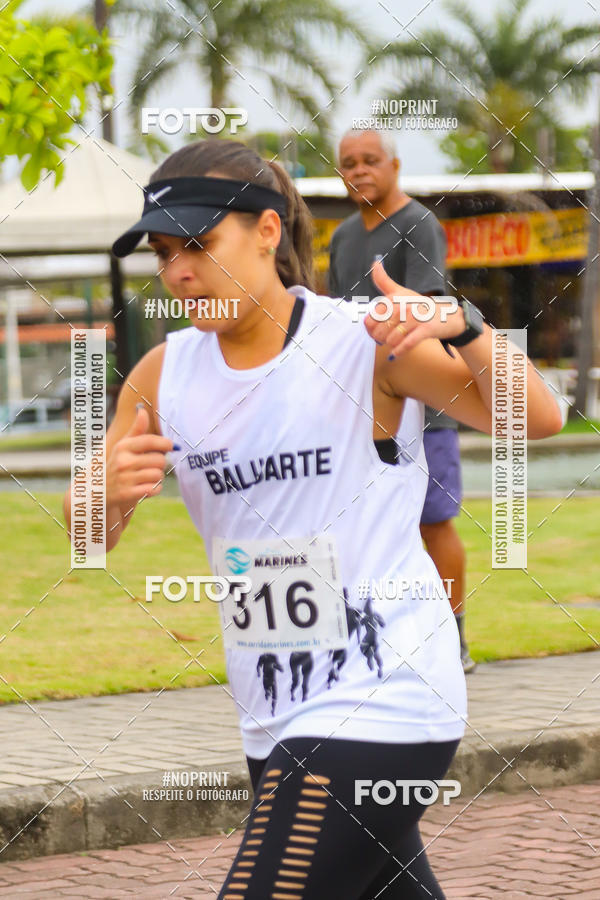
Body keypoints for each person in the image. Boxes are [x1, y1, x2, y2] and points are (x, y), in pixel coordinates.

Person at [63, 138, 561, 899]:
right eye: (163, 253)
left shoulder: (362, 345)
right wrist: (98, 496)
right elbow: (87, 530)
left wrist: (460, 323)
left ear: (267, 231)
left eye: (198, 244)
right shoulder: (164, 373)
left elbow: (539, 419)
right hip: (274, 716)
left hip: (386, 697)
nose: (178, 272)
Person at [330, 128, 476, 673]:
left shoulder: (419, 224)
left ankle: (454, 640)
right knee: (373, 526)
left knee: (433, 522)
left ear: (394, 166)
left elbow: (428, 306)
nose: (359, 170)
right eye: (349, 163)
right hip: (365, 409)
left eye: (370, 160)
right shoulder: (343, 236)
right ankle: (384, 640)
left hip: (425, 406)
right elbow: (331, 315)